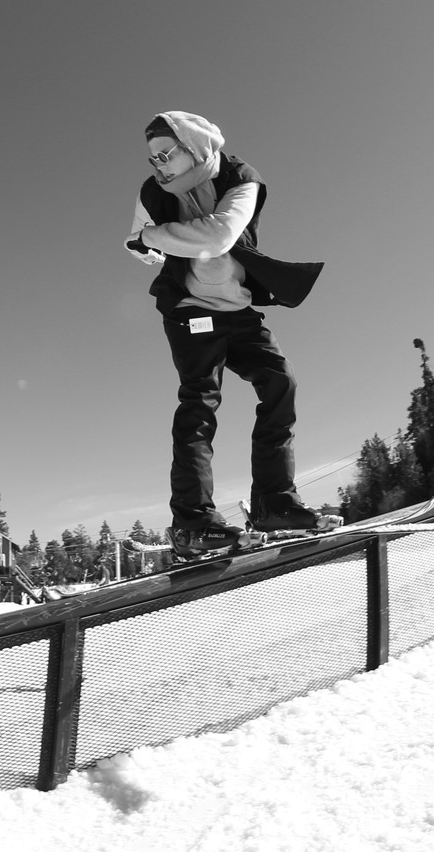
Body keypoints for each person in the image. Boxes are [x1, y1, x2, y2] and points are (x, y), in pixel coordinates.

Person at [124, 111, 325, 557]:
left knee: (280, 382)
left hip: (237, 308)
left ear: (194, 145)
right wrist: (151, 244)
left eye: (166, 154)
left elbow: (220, 235)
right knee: (200, 402)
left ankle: (273, 502)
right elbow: (138, 244)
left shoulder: (239, 176)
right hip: (190, 312)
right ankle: (193, 522)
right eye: (153, 158)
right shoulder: (152, 191)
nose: (158, 166)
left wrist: (156, 237)